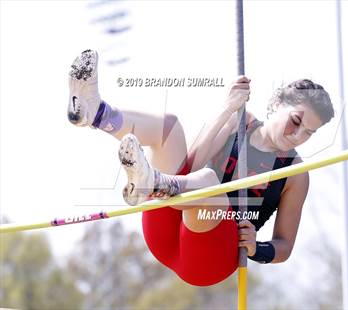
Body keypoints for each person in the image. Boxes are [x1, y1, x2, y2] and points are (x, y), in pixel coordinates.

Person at [68, 49, 334, 286]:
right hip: (168, 223)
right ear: (278, 104)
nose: (297, 135)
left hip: (211, 257)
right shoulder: (240, 121)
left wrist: (257, 248)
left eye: (308, 133)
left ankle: (153, 183)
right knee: (170, 128)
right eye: (296, 121)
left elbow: (285, 245)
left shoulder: (295, 174)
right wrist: (227, 109)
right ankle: (97, 113)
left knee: (208, 181)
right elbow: (190, 164)